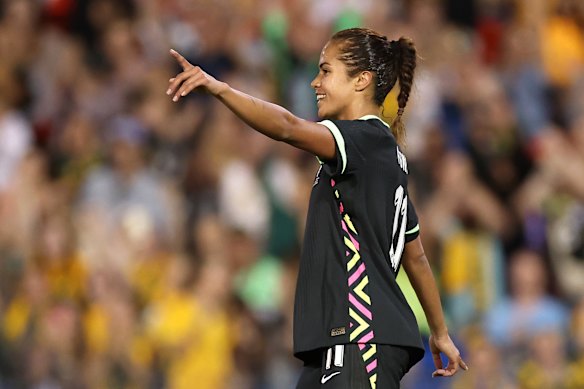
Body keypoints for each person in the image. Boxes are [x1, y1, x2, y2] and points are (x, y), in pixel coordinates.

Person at [166, 27, 467, 389]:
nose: (314, 82)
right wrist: (439, 332)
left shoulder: (363, 139)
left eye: (325, 70)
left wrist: (220, 89)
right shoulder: (381, 156)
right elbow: (414, 256)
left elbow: (288, 127)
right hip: (343, 340)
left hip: (361, 334)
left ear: (361, 81)